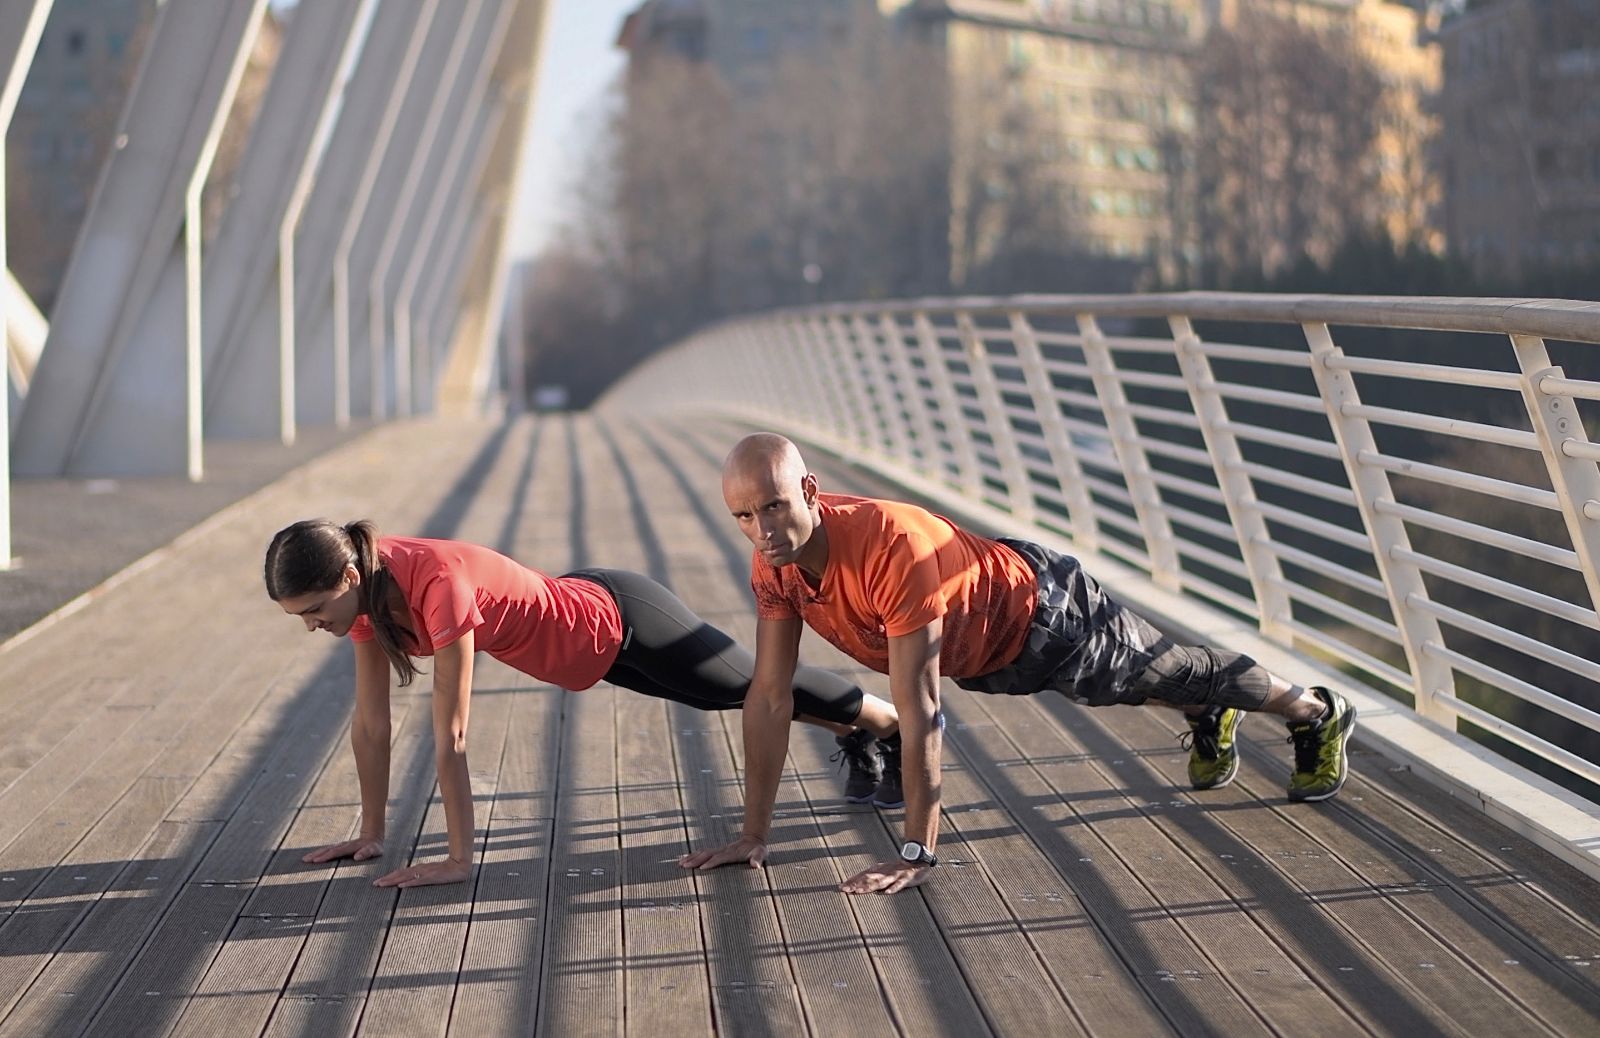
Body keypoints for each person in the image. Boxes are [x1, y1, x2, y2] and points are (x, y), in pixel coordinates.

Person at [679, 434, 1357, 895]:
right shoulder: (775, 565)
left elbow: (919, 710)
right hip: (987, 652)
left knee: (1163, 670)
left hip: (1044, 615)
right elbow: (770, 696)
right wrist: (752, 834)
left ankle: (1315, 710)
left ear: (809, 488)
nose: (763, 529)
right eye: (744, 515)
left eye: (775, 505)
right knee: (1121, 690)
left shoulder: (891, 550)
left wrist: (917, 851)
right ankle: (1207, 710)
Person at [265, 518, 901, 889]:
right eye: (298, 617)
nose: (310, 625)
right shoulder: (364, 604)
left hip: (626, 621)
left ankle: (887, 723)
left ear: (348, 578)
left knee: (751, 687)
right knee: (723, 698)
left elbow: (451, 733)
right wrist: (372, 834)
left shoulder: (437, 585)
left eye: (314, 610)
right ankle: (859, 730)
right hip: (593, 648)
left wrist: (460, 860)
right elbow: (373, 724)